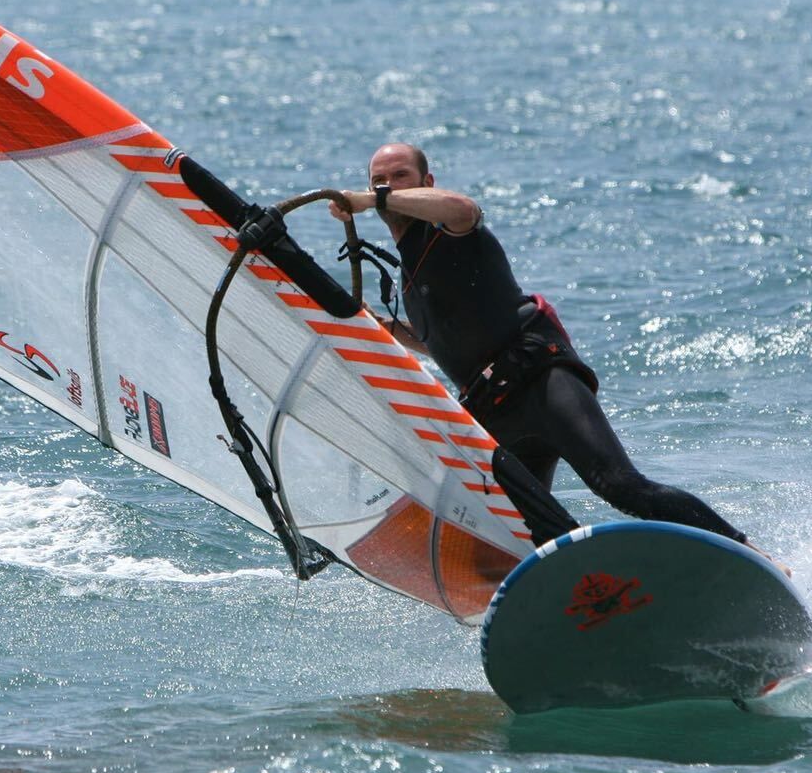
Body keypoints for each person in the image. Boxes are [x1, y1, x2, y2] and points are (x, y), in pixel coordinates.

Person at [328, 141, 773, 558]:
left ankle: (742, 552)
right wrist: (381, 325)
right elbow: (439, 339)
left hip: (541, 381)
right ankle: (602, 591)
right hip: (494, 407)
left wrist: (374, 201)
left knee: (619, 486)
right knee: (525, 528)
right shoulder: (409, 269)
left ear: (427, 183)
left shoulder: (451, 229)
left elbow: (463, 208)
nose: (388, 186)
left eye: (400, 176)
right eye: (378, 181)